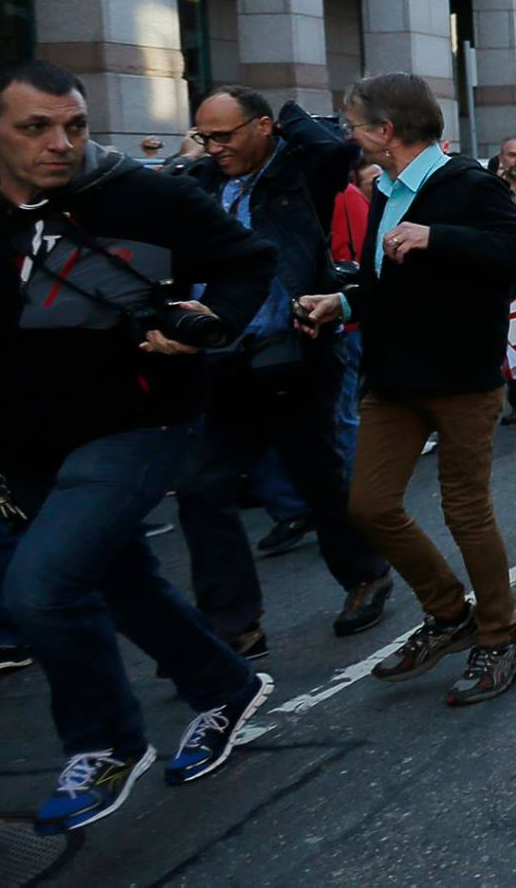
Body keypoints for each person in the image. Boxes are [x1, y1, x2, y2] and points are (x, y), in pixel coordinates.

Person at [0, 59, 279, 832]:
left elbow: (247, 260)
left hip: (143, 419)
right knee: (120, 579)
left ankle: (104, 743)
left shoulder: (143, 191)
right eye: (36, 128)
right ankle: (225, 686)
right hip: (16, 436)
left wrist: (210, 325)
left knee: (41, 588)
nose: (61, 143)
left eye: (76, 126)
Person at [293, 73, 516, 707]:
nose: (349, 136)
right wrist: (342, 303)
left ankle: (502, 634)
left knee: (465, 511)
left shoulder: (466, 183)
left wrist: (438, 236)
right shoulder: (386, 188)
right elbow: (389, 287)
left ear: (386, 131)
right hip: (395, 378)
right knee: (369, 505)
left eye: (355, 125)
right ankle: (447, 613)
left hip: (461, 377)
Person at [177, 88, 393, 653]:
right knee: (202, 487)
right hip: (222, 361)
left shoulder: (300, 175)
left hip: (294, 351)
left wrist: (286, 119)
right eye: (204, 136)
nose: (214, 147)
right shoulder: (199, 185)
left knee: (319, 477)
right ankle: (233, 621)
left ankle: (365, 575)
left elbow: (329, 146)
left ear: (264, 127)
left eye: (225, 134)